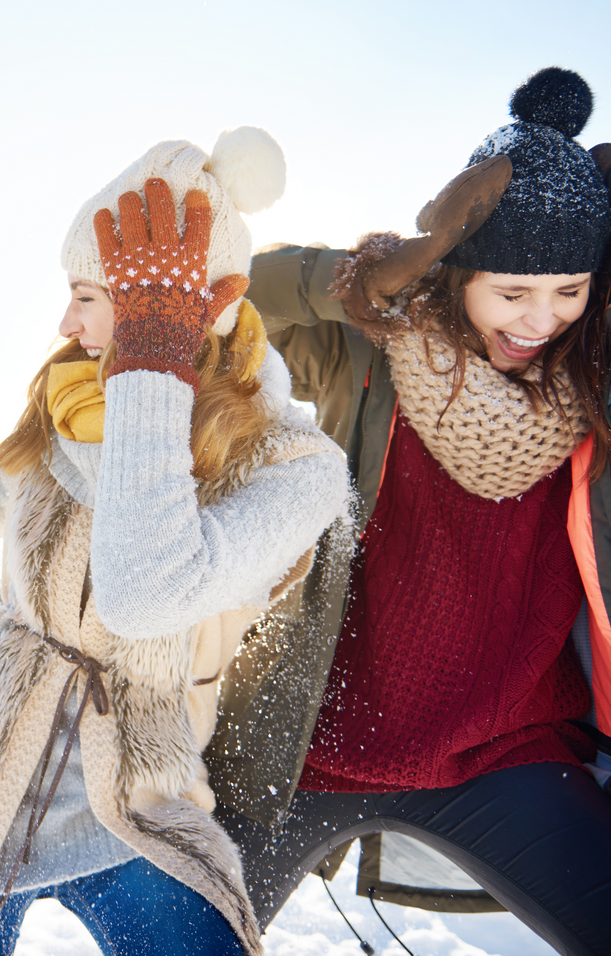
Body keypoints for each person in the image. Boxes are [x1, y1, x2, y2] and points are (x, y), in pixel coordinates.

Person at [0, 129, 351, 956]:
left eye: (88, 296)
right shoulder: (72, 398)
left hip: (132, 793)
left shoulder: (292, 466)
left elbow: (145, 592)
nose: (66, 321)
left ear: (186, 304)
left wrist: (150, 370)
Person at [217, 67, 611, 956]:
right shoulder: (371, 345)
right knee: (179, 938)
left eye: (570, 291)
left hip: (506, 751)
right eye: (513, 291)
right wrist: (355, 280)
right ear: (455, 271)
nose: (541, 320)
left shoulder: (589, 381)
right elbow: (225, 300)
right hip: (305, 749)